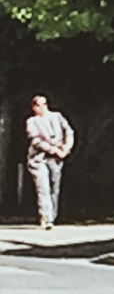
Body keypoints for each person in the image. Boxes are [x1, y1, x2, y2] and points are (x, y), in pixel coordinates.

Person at [23, 95, 73, 230]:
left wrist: (67, 147)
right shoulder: (31, 121)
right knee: (43, 188)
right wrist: (55, 150)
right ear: (34, 107)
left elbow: (68, 131)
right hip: (39, 159)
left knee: (54, 188)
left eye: (44, 104)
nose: (42, 107)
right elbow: (36, 141)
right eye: (39, 105)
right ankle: (46, 218)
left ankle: (53, 216)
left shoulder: (57, 116)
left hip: (56, 159)